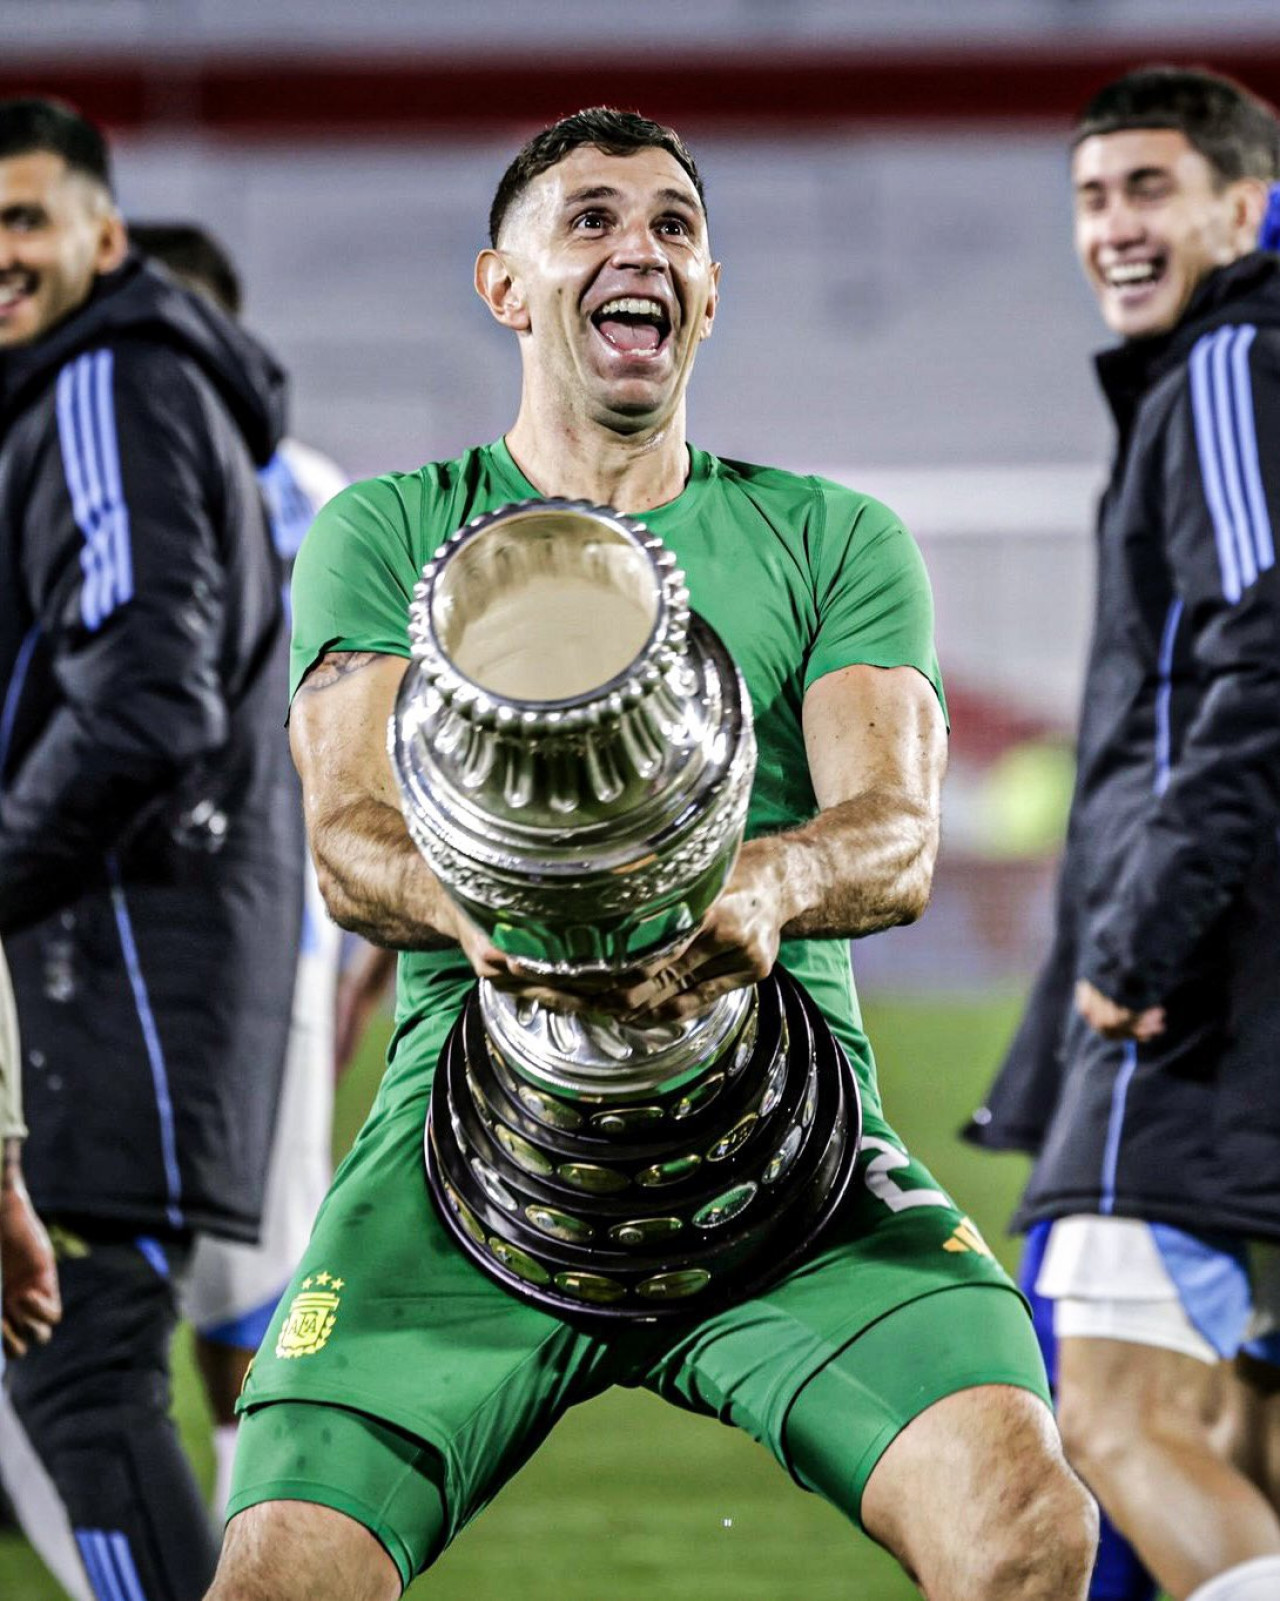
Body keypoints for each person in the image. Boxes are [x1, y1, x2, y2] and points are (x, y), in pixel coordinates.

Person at [206, 107, 1097, 1601]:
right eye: (595, 219)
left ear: (712, 286)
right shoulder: (392, 530)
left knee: (1027, 1525)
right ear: (506, 284)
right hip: (463, 1155)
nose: (643, 249)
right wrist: (474, 912)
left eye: (675, 225)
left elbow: (893, 832)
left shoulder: (832, 536)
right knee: (279, 1578)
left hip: (783, 1164)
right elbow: (351, 841)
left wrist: (770, 879)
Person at [968, 67, 1280, 1601]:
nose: (1115, 227)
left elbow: (1262, 653)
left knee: (1111, 1417)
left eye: (1150, 189)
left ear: (1245, 203)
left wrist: (1145, 932)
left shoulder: (1231, 368)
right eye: (1093, 197)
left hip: (1205, 1002)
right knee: (1242, 1428)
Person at [0, 99, 304, 1599]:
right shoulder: (83, 391)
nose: (0, 256)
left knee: (80, 1375)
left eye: (23, 219)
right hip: (129, 977)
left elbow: (143, 695)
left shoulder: (104, 384)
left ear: (99, 238)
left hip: (104, 983)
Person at [126, 219, 347, 1522]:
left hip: (264, 954)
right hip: (72, 949)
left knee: (251, 1286)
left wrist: (363, 948)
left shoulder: (311, 505)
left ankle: (248, 1540)